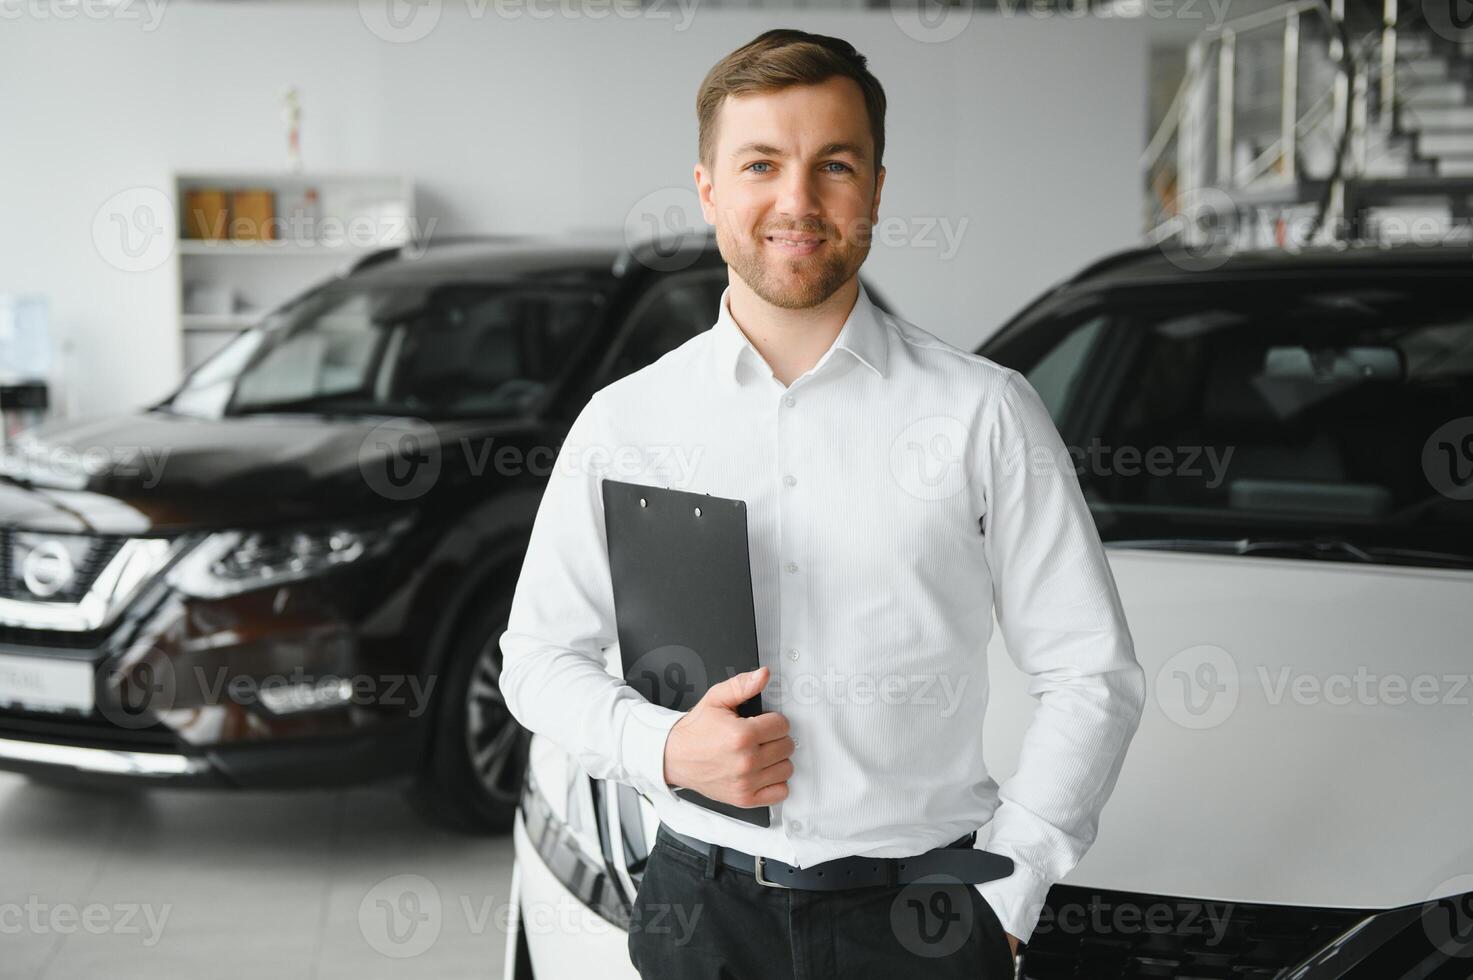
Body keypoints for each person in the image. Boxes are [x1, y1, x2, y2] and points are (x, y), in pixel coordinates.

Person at [499, 27, 1147, 979]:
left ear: (877, 186)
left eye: (833, 164)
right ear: (709, 186)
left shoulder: (983, 411)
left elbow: (1091, 672)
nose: (796, 201)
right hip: (699, 910)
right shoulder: (625, 421)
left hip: (923, 918)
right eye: (760, 163)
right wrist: (666, 746)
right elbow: (536, 660)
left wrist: (1008, 891)